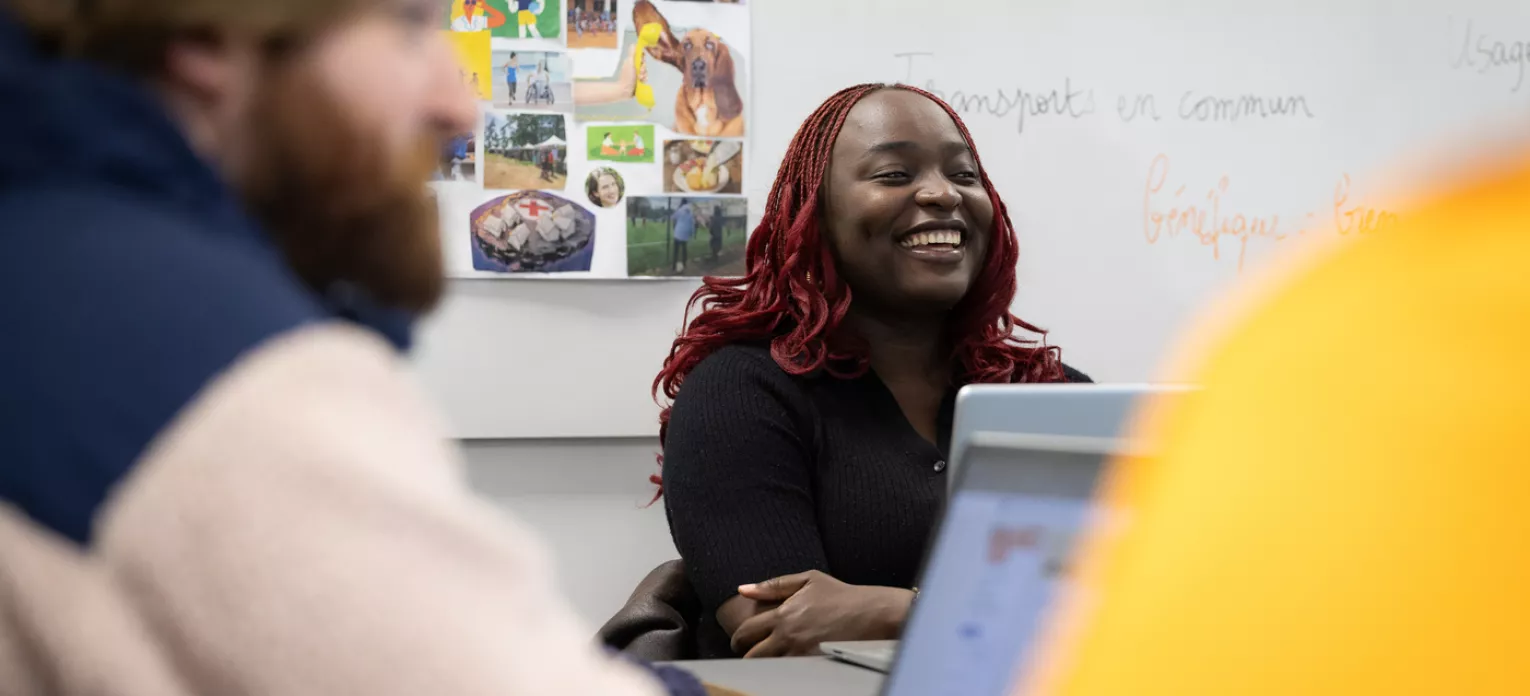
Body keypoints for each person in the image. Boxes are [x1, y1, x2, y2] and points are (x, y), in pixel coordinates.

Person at [0, 2, 709, 694]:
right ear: (208, 35)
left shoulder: (39, 259)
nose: (460, 107)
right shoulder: (218, 366)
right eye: (409, 26)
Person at [1019, 157, 1530, 695]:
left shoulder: (1062, 387)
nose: (956, 195)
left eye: (968, 176)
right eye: (923, 174)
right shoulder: (1359, 308)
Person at [655, 83, 1091, 659]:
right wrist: (1035, 614)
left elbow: (1142, 605)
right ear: (813, 213)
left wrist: (895, 609)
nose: (942, 193)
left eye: (964, 175)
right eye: (893, 174)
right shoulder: (740, 393)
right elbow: (779, 634)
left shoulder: (1055, 396)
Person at [670, 198, 695, 273]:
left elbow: (672, 217)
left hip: (678, 233)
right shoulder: (690, 212)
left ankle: (674, 267)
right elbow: (692, 224)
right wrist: (691, 233)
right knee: (684, 250)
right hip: (685, 234)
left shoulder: (680, 210)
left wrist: (678, 209)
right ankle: (684, 264)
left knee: (676, 251)